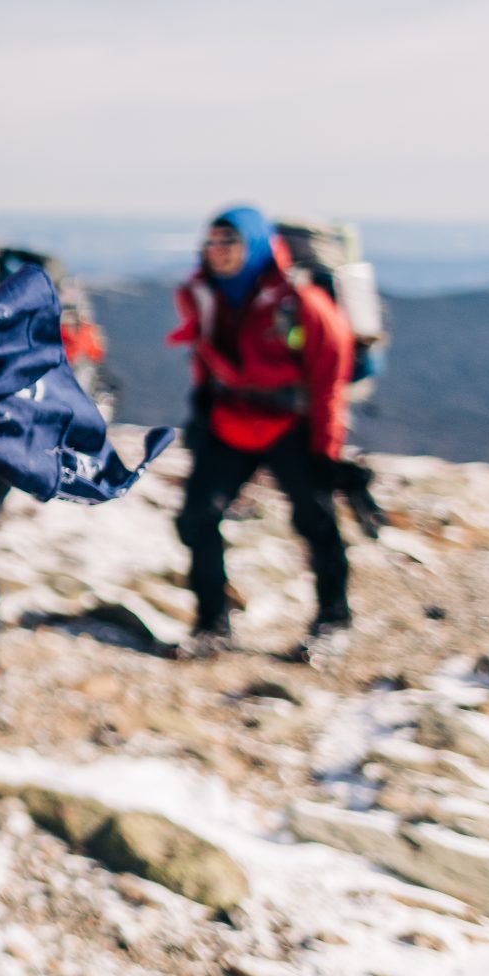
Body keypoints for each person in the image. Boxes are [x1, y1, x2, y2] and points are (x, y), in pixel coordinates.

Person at [169, 207, 355, 659]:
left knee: (315, 521)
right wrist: (202, 411)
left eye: (228, 242)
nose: (218, 253)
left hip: (292, 425)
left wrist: (326, 453)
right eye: (212, 242)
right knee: (198, 517)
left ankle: (334, 620)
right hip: (228, 421)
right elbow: (205, 354)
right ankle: (212, 624)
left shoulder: (300, 300)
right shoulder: (205, 292)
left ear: (252, 245)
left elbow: (331, 375)